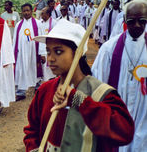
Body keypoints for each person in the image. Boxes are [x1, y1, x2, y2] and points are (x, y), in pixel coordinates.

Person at [24, 19, 134, 152]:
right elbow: (32, 130)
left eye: (58, 52)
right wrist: (34, 148)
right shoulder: (45, 90)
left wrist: (78, 100)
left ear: (77, 53)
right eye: (48, 51)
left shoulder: (100, 93)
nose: (51, 58)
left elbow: (124, 133)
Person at [92, 0, 147, 152]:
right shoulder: (109, 48)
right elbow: (97, 82)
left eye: (142, 21)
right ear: (124, 20)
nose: (137, 25)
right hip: (117, 112)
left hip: (144, 114)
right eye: (131, 21)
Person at [13, 3, 44, 101]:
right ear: (21, 12)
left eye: (28, 10)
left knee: (35, 69)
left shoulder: (38, 23)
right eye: (24, 11)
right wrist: (14, 54)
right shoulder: (18, 25)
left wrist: (42, 53)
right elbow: (15, 40)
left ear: (31, 11)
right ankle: (20, 92)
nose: (26, 12)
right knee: (20, 70)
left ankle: (38, 89)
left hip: (34, 52)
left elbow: (42, 38)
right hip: (21, 53)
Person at [39, 7, 57, 82]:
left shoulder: (54, 23)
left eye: (43, 13)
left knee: (51, 70)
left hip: (51, 49)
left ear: (48, 14)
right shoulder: (40, 23)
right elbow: (39, 38)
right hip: (42, 49)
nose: (41, 14)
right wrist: (41, 53)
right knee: (44, 70)